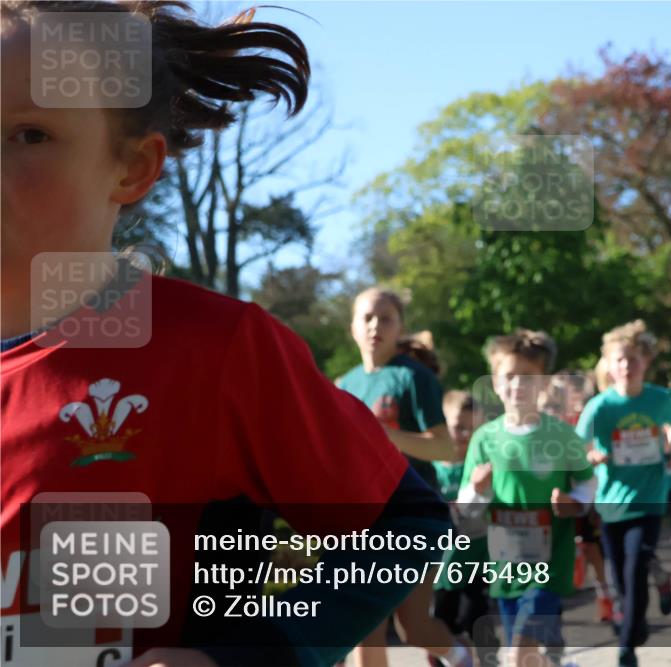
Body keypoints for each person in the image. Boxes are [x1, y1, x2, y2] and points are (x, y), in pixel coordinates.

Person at [0, 3, 450, 666]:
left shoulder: (214, 348)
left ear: (131, 168)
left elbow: (404, 524)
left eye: (29, 134)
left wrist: (253, 653)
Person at [338, 288, 471, 667]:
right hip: (361, 519)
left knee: (414, 628)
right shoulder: (343, 386)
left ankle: (461, 659)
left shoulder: (414, 378)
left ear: (400, 328)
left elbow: (444, 448)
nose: (375, 325)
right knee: (365, 626)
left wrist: (382, 436)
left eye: (386, 318)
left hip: (411, 515)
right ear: (352, 327)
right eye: (367, 317)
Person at [456, 330, 596, 667]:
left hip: (549, 565)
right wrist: (477, 488)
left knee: (519, 650)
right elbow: (466, 509)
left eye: (528, 378)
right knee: (527, 657)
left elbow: (587, 485)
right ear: (495, 382)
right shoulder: (484, 439)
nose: (518, 385)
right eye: (510, 376)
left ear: (544, 384)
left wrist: (573, 502)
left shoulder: (561, 435)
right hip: (505, 567)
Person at [575, 320, 671, 667]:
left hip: (649, 499)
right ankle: (635, 623)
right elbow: (578, 447)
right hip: (611, 503)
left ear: (645, 362)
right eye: (619, 360)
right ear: (609, 364)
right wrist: (592, 456)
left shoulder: (659, 398)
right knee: (621, 577)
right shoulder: (601, 406)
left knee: (636, 567)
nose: (626, 366)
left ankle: (626, 647)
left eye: (633, 359)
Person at [430, 391, 498, 667]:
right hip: (443, 558)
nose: (462, 434)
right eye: (457, 427)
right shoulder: (431, 468)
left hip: (477, 551)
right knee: (440, 619)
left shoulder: (481, 467)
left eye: (470, 429)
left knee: (476, 616)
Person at [539, 372, 614, 623]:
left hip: (582, 490)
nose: (574, 397)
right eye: (564, 391)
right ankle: (553, 602)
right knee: (552, 547)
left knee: (593, 547)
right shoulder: (546, 418)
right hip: (555, 490)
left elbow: (592, 447)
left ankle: (605, 594)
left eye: (577, 391)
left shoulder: (586, 417)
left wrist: (591, 456)